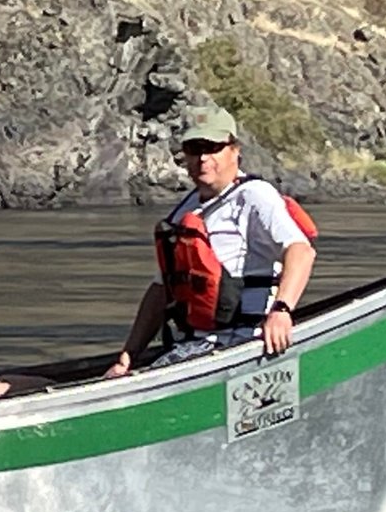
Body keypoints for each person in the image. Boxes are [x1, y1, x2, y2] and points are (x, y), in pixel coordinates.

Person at [108, 109, 316, 377]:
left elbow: (301, 251)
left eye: (213, 147)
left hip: (243, 344)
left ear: (234, 150)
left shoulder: (254, 196)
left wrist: (282, 310)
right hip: (196, 344)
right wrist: (129, 355)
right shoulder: (186, 210)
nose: (203, 158)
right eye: (195, 149)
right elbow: (162, 290)